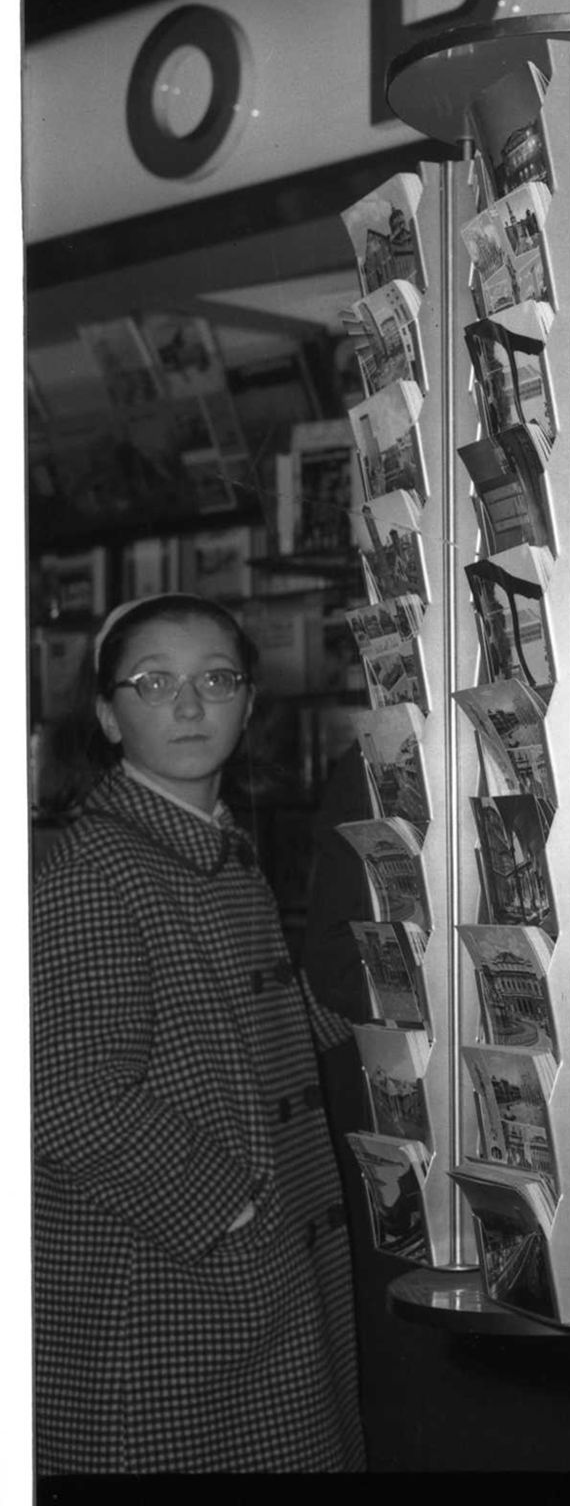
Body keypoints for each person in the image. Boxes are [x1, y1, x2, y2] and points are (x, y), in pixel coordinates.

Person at [32, 593, 365, 1473]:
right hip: (168, 1293)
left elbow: (238, 1029)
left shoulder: (209, 846)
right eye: (154, 683)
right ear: (107, 714)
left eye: (216, 680)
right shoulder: (94, 871)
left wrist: (393, 987)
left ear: (250, 701)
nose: (189, 706)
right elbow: (66, 1093)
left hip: (238, 1281)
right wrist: (232, 1209)